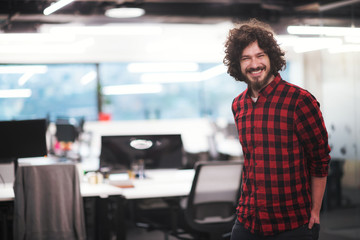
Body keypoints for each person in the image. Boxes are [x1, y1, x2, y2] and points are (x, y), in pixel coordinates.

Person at [223, 19, 331, 240]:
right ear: (238, 64)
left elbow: (320, 159)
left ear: (271, 57)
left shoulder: (299, 101)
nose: (254, 64)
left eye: (260, 55)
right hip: (248, 219)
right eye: (246, 58)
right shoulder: (238, 105)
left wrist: (315, 211)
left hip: (291, 223)